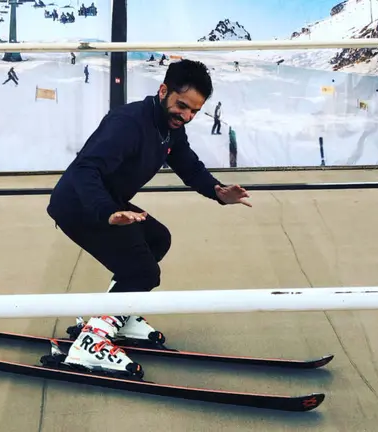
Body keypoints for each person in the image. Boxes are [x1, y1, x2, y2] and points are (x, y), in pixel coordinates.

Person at [46, 59, 251, 378]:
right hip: (79, 204)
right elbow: (86, 170)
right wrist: (109, 212)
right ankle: (92, 340)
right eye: (182, 106)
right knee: (143, 270)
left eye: (194, 111)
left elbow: (188, 164)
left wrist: (217, 190)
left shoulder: (169, 129)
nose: (186, 116)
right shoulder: (128, 123)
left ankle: (117, 314)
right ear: (163, 90)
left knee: (157, 238)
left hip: (108, 202)